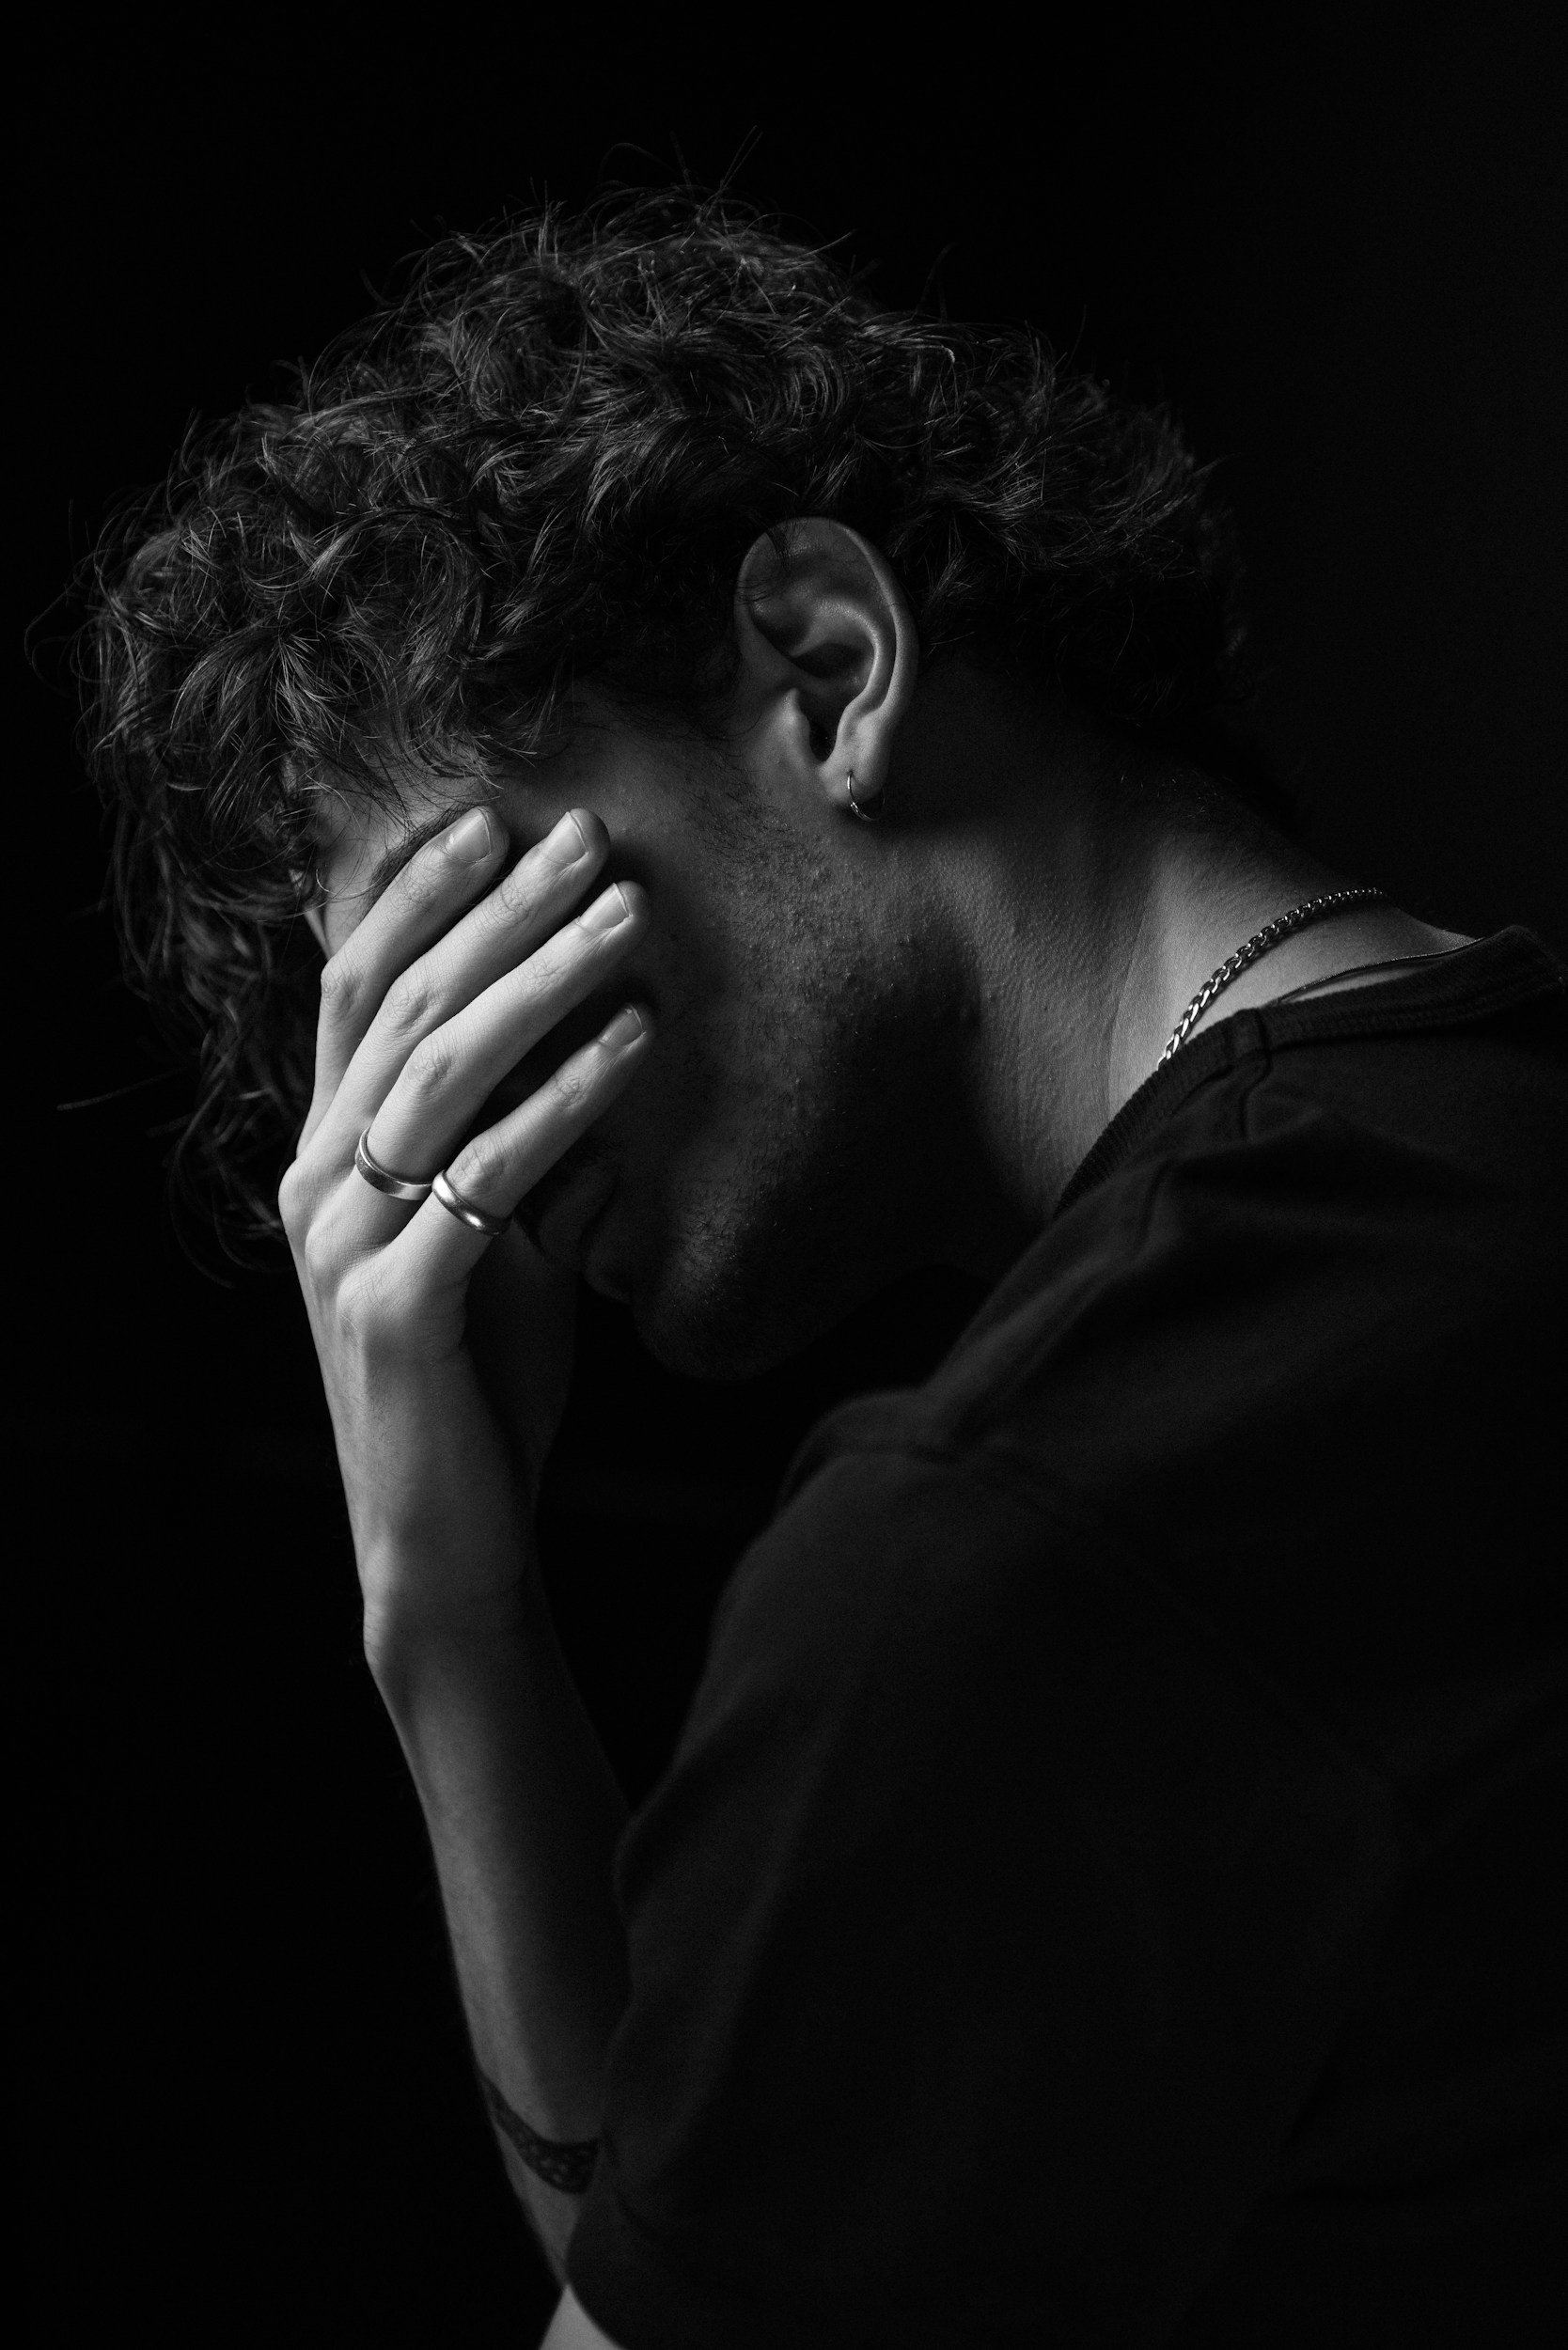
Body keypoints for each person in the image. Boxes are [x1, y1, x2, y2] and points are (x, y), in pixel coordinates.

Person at [82, 193, 1565, 2346]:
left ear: (826, 664)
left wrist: (432, 1610)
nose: (397, 1138)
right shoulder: (1484, 1144)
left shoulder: (1019, 1541)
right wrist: (457, 1621)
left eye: (448, 953)